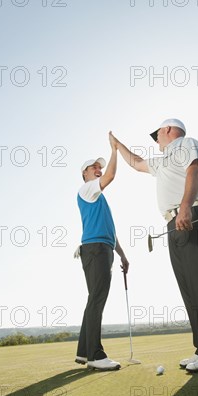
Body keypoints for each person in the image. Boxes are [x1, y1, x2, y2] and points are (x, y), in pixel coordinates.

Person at [110, 119, 198, 372]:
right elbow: (136, 163)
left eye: (157, 135)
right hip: (172, 222)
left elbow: (195, 170)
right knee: (188, 288)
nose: (156, 141)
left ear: (168, 130)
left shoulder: (186, 144)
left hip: (193, 215)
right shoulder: (161, 161)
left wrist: (185, 206)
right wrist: (117, 145)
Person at [75, 131, 129, 371]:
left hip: (101, 248)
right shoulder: (87, 189)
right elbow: (111, 176)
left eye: (99, 167)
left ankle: (84, 353)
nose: (98, 169)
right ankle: (96, 355)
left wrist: (122, 255)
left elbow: (110, 232)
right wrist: (115, 149)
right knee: (97, 299)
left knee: (93, 299)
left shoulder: (98, 197)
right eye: (93, 167)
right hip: (95, 249)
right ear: (85, 173)